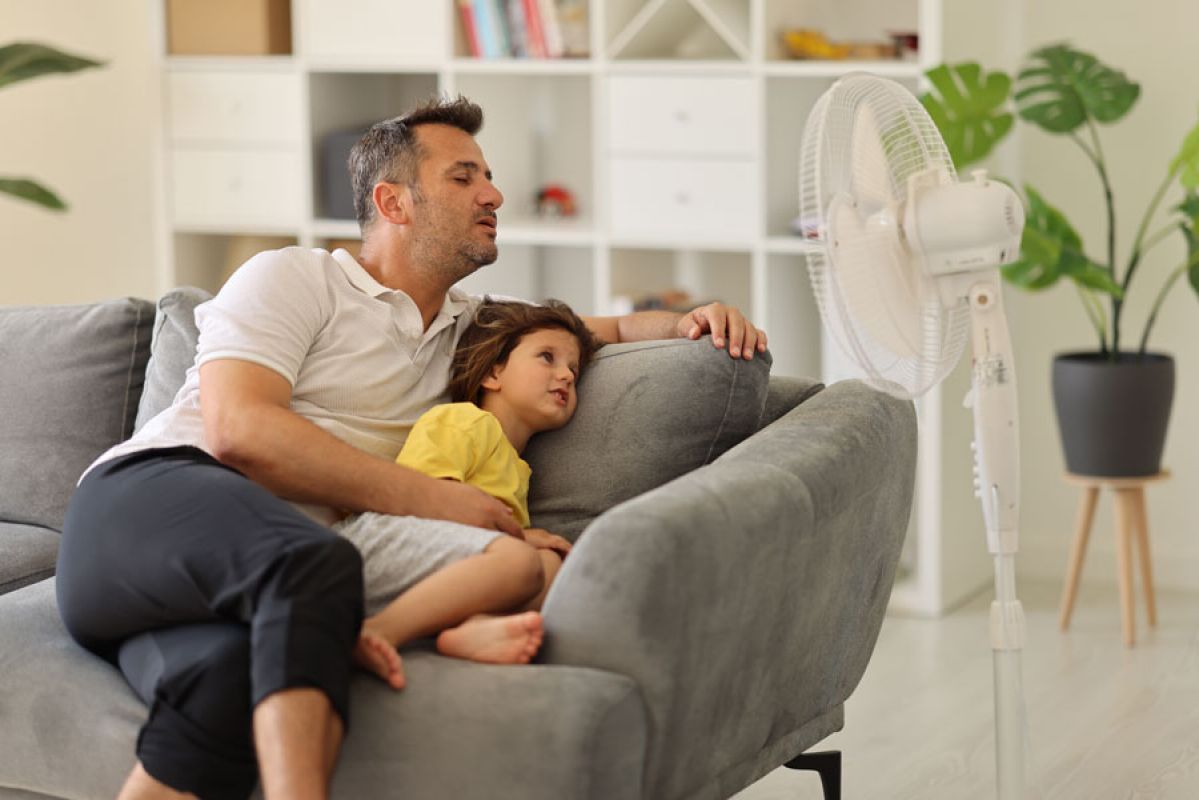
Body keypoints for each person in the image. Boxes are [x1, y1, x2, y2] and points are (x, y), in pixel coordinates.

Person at [55, 95, 767, 800]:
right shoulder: (297, 277)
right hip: (144, 507)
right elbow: (240, 431)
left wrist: (692, 320)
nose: (492, 194)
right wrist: (438, 500)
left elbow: (602, 329)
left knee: (230, 684)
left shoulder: (474, 331)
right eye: (462, 177)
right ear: (392, 203)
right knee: (315, 564)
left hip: (213, 591)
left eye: (487, 176)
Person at [337, 298, 599, 690]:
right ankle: (377, 632)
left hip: (445, 559)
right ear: (494, 373)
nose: (565, 376)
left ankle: (476, 627)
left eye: (574, 372)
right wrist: (518, 537)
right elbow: (426, 497)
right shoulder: (464, 420)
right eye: (547, 358)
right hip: (388, 539)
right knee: (522, 560)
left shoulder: (519, 468)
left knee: (548, 567)